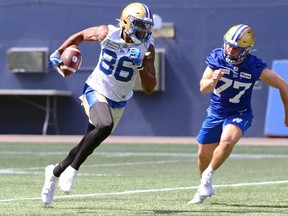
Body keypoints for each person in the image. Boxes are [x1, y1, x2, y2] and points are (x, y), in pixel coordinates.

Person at [41, 2, 156, 205]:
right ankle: (73, 171)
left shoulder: (147, 48)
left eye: (146, 26)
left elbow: (149, 88)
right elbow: (81, 36)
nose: (143, 30)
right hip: (96, 89)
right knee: (105, 125)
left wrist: (141, 65)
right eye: (139, 24)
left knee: (89, 141)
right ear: (126, 22)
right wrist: (59, 51)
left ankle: (55, 171)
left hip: (118, 101)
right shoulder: (106, 33)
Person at [188, 24, 288, 204]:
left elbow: (283, 85)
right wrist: (213, 79)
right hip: (216, 112)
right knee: (203, 155)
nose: (230, 50)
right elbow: (203, 88)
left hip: (240, 112)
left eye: (235, 48)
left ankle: (208, 176)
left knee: (227, 140)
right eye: (228, 45)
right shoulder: (217, 57)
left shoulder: (254, 66)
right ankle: (204, 185)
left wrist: (287, 114)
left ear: (246, 50)